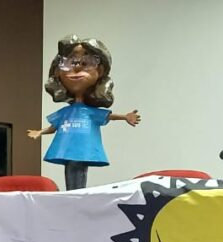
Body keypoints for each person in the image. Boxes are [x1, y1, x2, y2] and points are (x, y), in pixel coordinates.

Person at [28, 35, 141, 190]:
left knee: (78, 171)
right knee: (71, 171)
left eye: (86, 63)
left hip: (83, 149)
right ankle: (73, 194)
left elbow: (108, 116)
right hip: (67, 148)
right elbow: (54, 127)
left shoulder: (90, 112)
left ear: (100, 71)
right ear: (58, 72)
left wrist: (126, 117)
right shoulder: (65, 112)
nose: (77, 68)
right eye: (70, 62)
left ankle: (77, 194)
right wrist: (40, 132)